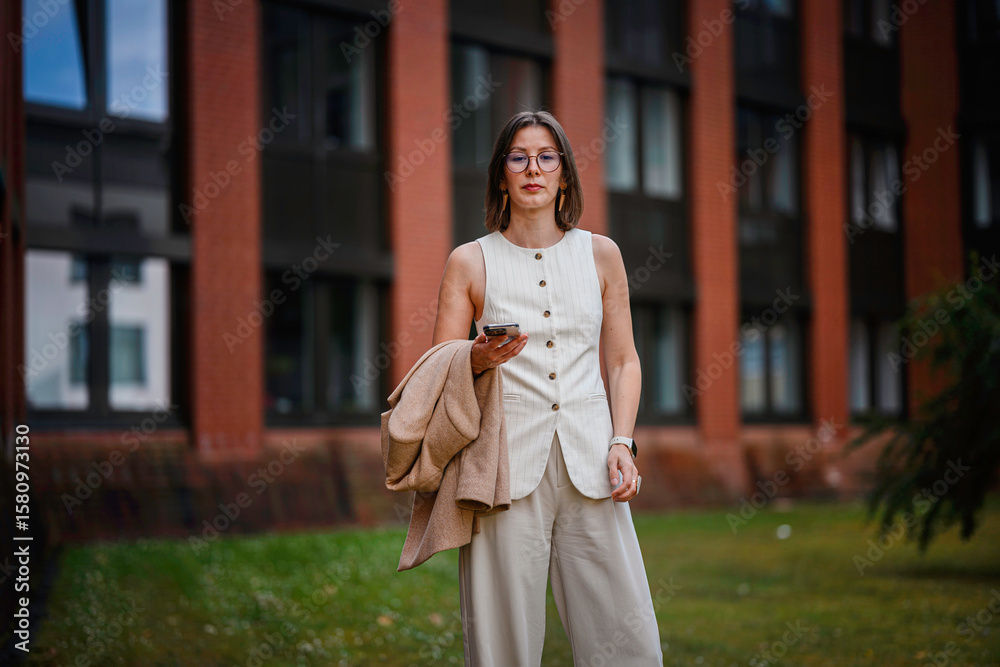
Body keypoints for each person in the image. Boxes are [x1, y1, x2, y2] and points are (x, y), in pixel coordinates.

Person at [432, 110, 663, 666]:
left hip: (593, 464)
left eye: (546, 156)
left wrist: (622, 442)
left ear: (563, 174)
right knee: (500, 644)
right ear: (501, 175)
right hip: (503, 470)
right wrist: (477, 358)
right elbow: (438, 369)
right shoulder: (469, 261)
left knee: (627, 642)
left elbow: (624, 360)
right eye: (518, 157)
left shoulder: (601, 254)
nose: (532, 168)